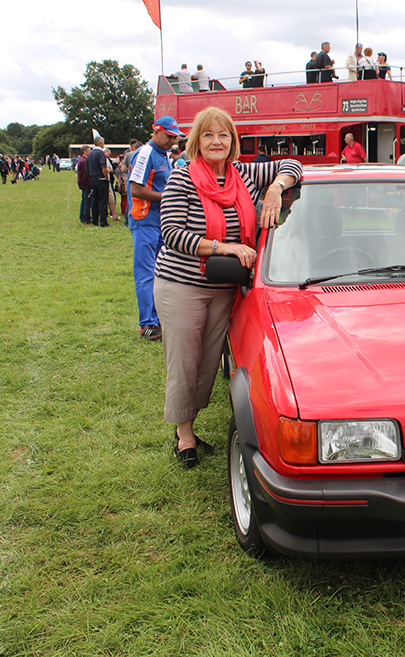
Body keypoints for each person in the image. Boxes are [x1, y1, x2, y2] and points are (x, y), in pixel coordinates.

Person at [153, 106, 302, 468]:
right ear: (196, 142)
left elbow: (294, 166)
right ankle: (184, 435)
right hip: (182, 283)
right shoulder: (182, 178)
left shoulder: (245, 173)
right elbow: (171, 233)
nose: (216, 141)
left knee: (207, 361)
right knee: (185, 360)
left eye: (223, 135)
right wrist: (225, 246)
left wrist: (274, 190)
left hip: (224, 285)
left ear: (233, 141)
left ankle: (190, 423)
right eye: (208, 135)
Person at [129, 116, 185, 342]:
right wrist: (168, 197)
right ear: (156, 131)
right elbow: (135, 190)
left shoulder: (164, 155)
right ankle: (148, 325)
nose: (173, 141)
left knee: (163, 272)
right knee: (146, 273)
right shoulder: (144, 153)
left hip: (161, 222)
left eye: (175, 137)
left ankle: (159, 318)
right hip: (144, 221)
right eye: (169, 136)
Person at [87, 136, 111, 226]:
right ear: (101, 143)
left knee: (95, 200)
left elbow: (87, 168)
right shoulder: (100, 153)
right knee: (103, 201)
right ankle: (103, 221)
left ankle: (95, 220)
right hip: (101, 179)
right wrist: (106, 177)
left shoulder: (90, 153)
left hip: (93, 179)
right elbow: (103, 166)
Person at [76, 145, 91, 224]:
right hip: (86, 184)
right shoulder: (85, 161)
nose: (90, 151)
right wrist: (90, 184)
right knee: (87, 201)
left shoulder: (82, 160)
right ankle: (86, 218)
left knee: (84, 200)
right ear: (85, 151)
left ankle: (83, 216)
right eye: (89, 150)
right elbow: (86, 174)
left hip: (82, 183)